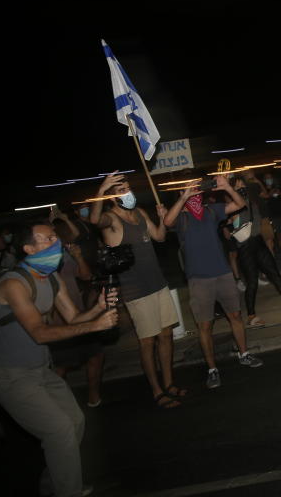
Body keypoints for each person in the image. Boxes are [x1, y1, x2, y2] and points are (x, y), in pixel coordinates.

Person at [0, 221, 119, 497]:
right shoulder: (15, 283)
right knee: (59, 430)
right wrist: (95, 326)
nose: (56, 243)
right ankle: (67, 492)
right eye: (47, 239)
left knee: (75, 422)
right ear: (28, 249)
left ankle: (54, 483)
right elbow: (40, 333)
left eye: (55, 237)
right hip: (9, 375)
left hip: (40, 370)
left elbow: (73, 318)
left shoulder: (51, 277)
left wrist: (97, 309)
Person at [90, 172, 186, 407]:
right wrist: (101, 190)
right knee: (147, 342)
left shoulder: (141, 213)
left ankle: (169, 383)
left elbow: (160, 238)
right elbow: (93, 221)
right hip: (136, 291)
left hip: (158, 284)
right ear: (113, 197)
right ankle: (157, 391)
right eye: (121, 190)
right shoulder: (110, 219)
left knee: (166, 336)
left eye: (128, 188)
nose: (127, 193)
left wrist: (162, 219)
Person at [163, 175, 263, 389]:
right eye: (189, 189)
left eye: (196, 188)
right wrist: (183, 198)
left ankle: (244, 354)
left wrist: (226, 186)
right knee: (205, 325)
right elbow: (167, 222)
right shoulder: (181, 216)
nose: (194, 192)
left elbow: (240, 204)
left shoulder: (211, 210)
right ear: (181, 192)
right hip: (198, 279)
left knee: (235, 315)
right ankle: (212, 368)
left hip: (223, 273)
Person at [50, 209, 106, 409]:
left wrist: (79, 257)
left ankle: (93, 396)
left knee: (95, 356)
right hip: (58, 321)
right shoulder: (43, 261)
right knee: (62, 365)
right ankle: (58, 404)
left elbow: (85, 276)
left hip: (80, 314)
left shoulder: (65, 253)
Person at [227, 171, 281, 327]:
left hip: (258, 242)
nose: (241, 187)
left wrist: (254, 181)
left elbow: (260, 191)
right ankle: (251, 315)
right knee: (252, 282)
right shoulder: (232, 207)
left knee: (274, 272)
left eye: (242, 184)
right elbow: (235, 225)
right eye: (238, 186)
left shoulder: (253, 201)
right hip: (245, 247)